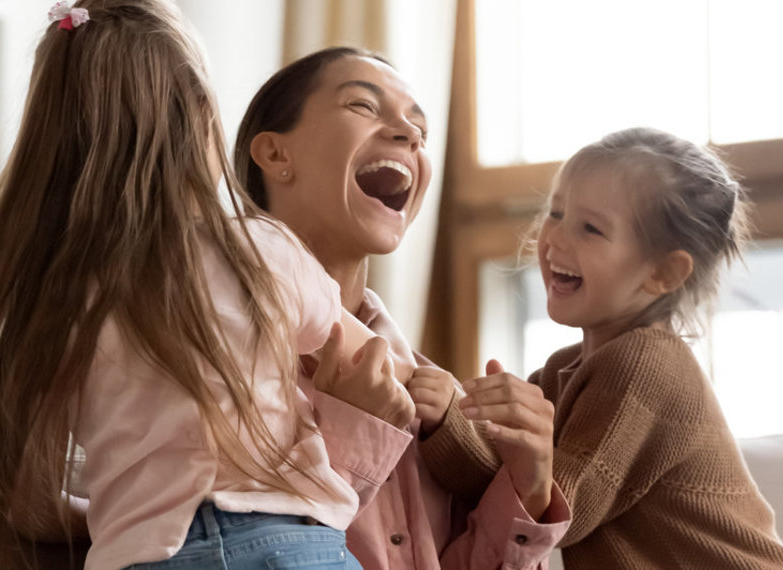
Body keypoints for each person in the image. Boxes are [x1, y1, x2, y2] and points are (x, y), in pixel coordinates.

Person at [0, 3, 419, 569]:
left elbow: (29, 505)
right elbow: (378, 362)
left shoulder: (47, 294)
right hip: (296, 546)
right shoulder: (261, 251)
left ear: (51, 135)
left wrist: (126, 521)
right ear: (203, 116)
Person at [234, 46, 571, 569]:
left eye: (420, 129)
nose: (410, 135)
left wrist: (527, 486)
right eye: (363, 107)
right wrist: (353, 430)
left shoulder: (442, 409)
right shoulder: (212, 366)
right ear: (278, 156)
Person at [429, 127, 783, 569]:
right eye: (555, 212)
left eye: (591, 228)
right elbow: (500, 489)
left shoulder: (645, 366)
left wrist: (446, 421)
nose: (556, 238)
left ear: (662, 274)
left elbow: (563, 512)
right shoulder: (564, 369)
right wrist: (441, 423)